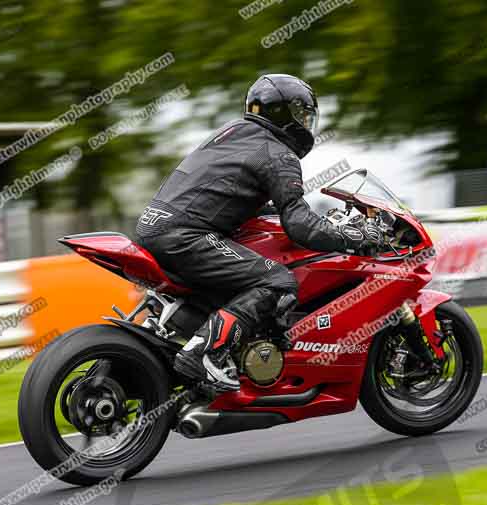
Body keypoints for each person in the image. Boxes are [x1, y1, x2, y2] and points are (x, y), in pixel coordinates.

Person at [135, 74, 382, 392]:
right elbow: (299, 224)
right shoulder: (279, 154)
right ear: (286, 114)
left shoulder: (231, 133)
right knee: (277, 281)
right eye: (303, 116)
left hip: (154, 225)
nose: (307, 124)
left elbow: (232, 195)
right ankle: (203, 353)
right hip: (186, 235)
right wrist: (352, 237)